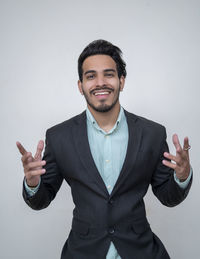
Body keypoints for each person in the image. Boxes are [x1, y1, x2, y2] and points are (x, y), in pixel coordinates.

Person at [17, 39, 192, 259]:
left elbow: (168, 196)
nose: (100, 82)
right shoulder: (59, 136)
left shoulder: (152, 134)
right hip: (83, 252)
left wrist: (182, 177)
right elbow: (41, 199)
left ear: (122, 81)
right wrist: (33, 184)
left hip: (141, 251)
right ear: (80, 86)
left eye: (108, 74)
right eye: (91, 76)